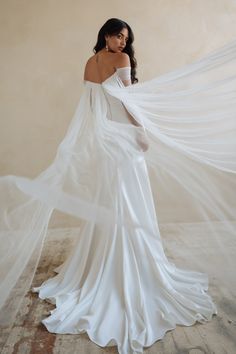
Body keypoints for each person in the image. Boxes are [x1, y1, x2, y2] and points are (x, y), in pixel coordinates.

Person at [0, 18, 236, 354]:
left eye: (125, 37)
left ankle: (103, 264)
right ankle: (133, 264)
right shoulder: (121, 62)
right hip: (123, 138)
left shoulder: (89, 62)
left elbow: (92, 106)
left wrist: (100, 137)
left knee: (115, 198)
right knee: (130, 198)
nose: (122, 42)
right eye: (116, 35)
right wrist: (141, 130)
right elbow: (127, 102)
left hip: (105, 140)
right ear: (106, 35)